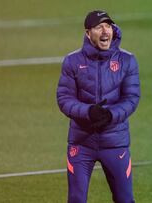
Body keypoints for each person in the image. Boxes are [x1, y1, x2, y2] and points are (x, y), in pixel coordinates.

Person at [56, 10, 140, 203]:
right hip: (82, 143)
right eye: (99, 26)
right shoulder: (72, 61)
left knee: (125, 199)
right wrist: (88, 111)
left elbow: (132, 98)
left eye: (108, 26)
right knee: (76, 199)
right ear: (87, 33)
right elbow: (64, 98)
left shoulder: (127, 60)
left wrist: (110, 115)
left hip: (115, 142)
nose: (105, 31)